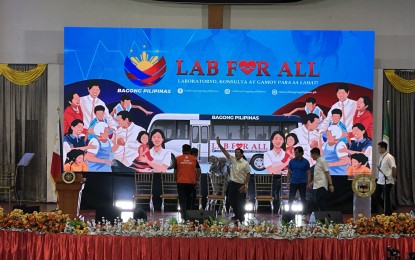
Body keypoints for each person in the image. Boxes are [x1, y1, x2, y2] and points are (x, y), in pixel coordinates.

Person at [216, 136, 250, 223]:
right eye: (235, 152)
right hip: (232, 184)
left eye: (238, 152)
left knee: (240, 202)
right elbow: (225, 153)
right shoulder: (233, 160)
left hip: (240, 185)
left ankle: (241, 218)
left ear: (242, 154)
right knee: (230, 200)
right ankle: (237, 214)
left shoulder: (245, 163)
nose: (236, 154)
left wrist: (245, 185)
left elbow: (248, 175)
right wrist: (219, 145)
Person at [263, 131, 290, 209]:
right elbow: (271, 170)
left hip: (285, 180)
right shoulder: (267, 154)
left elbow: (287, 170)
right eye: (276, 138)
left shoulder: (286, 154)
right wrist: (284, 164)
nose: (278, 141)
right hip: (271, 179)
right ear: (272, 141)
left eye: (281, 139)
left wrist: (276, 165)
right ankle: (274, 208)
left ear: (283, 141)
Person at [174, 144, 201, 220]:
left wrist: (175, 179)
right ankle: (189, 217)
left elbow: (175, 171)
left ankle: (183, 216)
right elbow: (199, 171)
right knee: (190, 200)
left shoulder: (178, 159)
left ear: (182, 150)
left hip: (181, 182)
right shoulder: (194, 159)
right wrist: (196, 179)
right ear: (189, 151)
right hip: (191, 183)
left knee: (182, 201)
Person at [374, 141, 396, 216]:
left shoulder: (389, 157)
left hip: (387, 181)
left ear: (383, 148)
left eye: (379, 148)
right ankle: (389, 208)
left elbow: (393, 167)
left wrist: (393, 177)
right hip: (380, 180)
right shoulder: (381, 157)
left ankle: (388, 213)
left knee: (386, 197)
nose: (378, 149)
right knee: (376, 195)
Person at [287, 146, 311, 213]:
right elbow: (289, 173)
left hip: (302, 182)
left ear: (301, 153)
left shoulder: (306, 162)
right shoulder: (291, 161)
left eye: (297, 152)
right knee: (290, 199)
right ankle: (289, 213)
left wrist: (308, 183)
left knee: (303, 199)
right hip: (293, 182)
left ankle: (304, 213)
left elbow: (308, 173)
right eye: (294, 152)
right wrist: (287, 183)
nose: (295, 154)